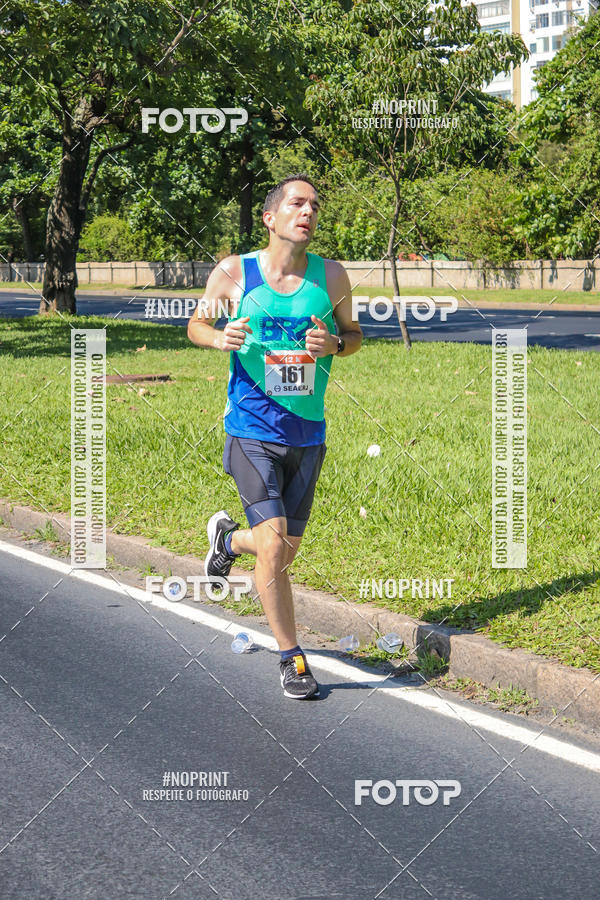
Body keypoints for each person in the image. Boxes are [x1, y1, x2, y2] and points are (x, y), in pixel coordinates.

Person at [187, 174, 362, 699]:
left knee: (280, 551)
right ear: (270, 217)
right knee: (278, 543)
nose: (307, 211)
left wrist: (333, 343)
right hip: (251, 428)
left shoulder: (331, 276)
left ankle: (228, 540)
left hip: (307, 432)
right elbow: (196, 325)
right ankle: (292, 658)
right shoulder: (233, 272)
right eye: (296, 203)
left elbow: (354, 338)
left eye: (313, 205)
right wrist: (221, 337)